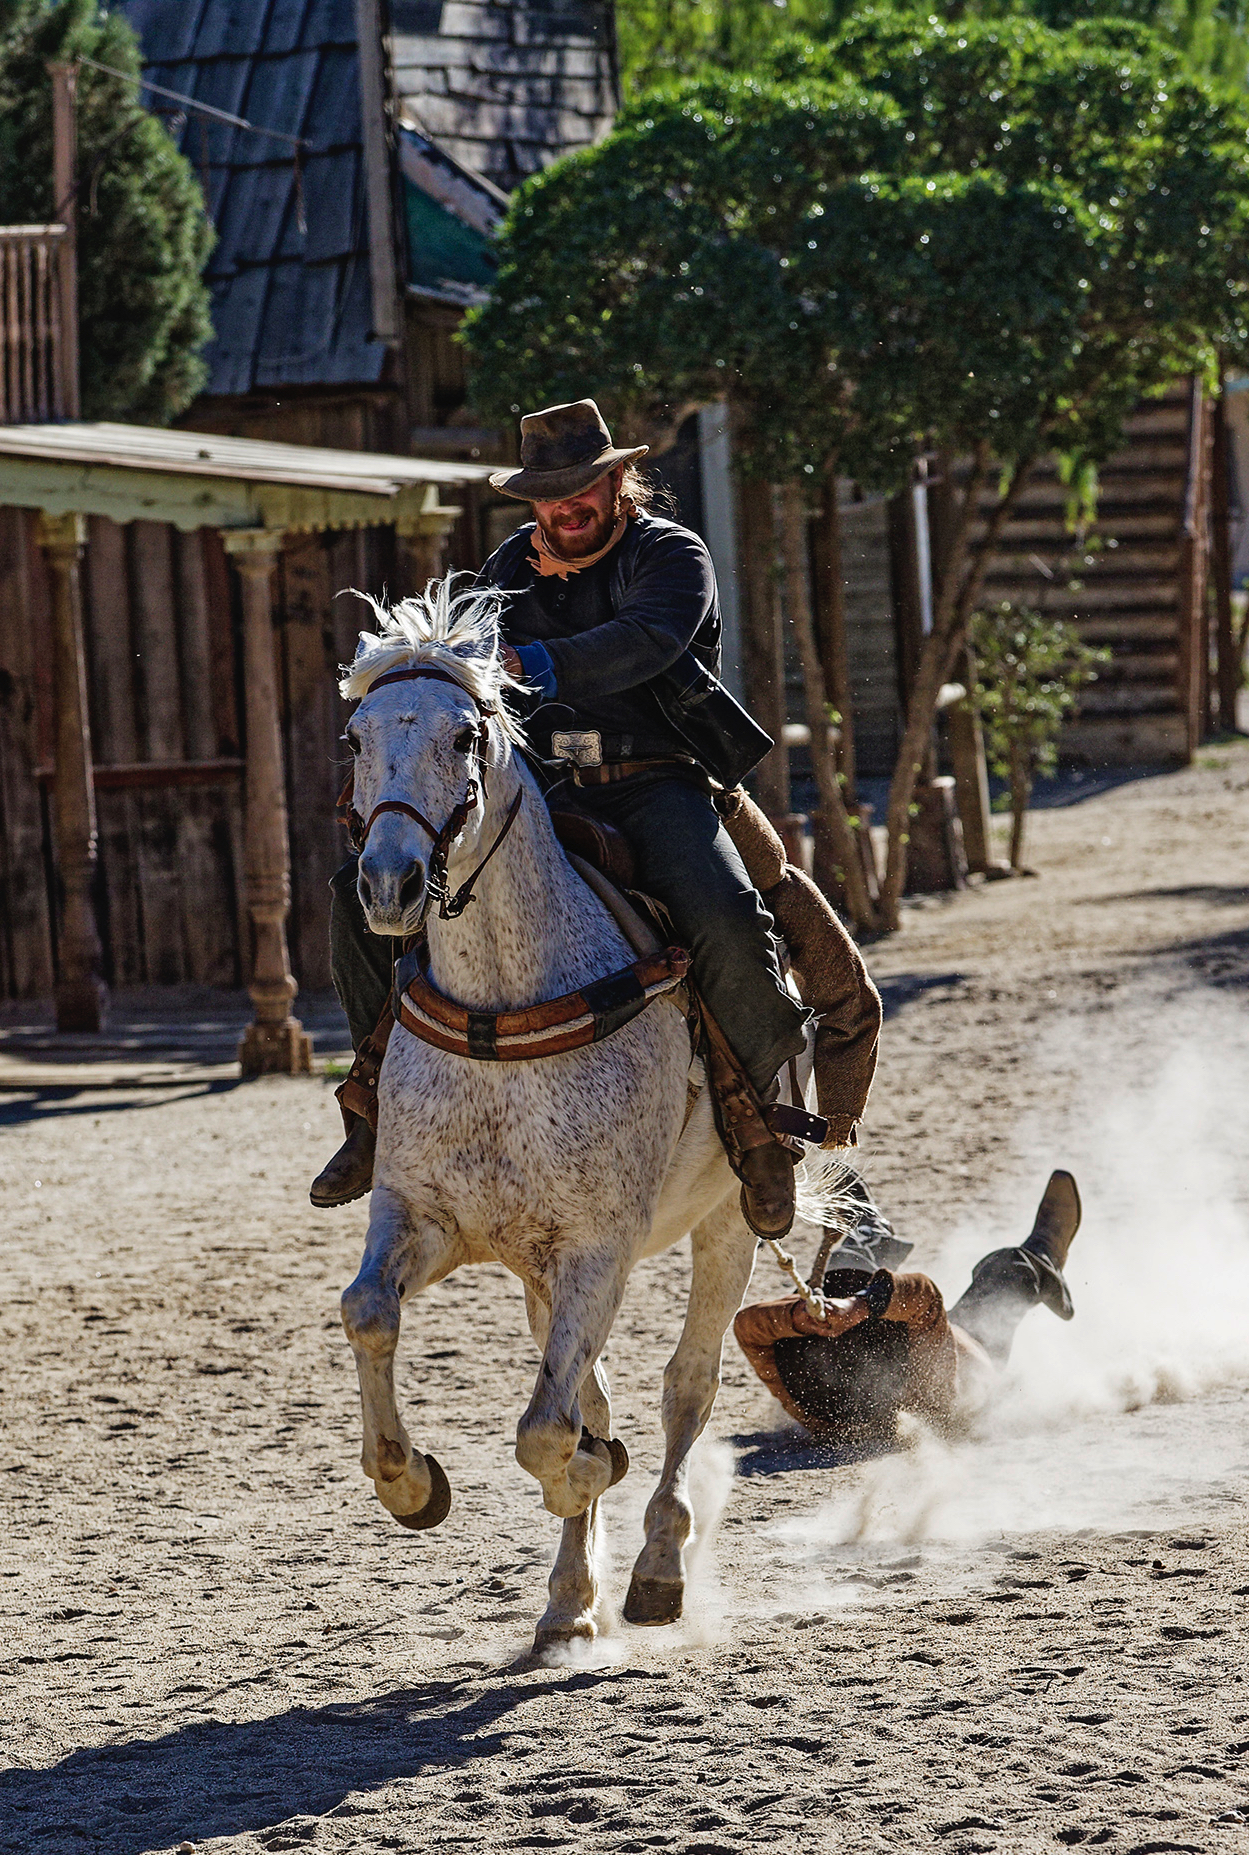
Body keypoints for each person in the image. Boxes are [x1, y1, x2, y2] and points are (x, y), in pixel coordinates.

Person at [314, 398, 812, 1235]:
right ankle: (370, 1110)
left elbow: (646, 643)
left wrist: (528, 660)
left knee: (726, 917)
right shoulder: (505, 570)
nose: (564, 505)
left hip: (655, 782)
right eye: (547, 493)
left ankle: (758, 1124)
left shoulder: (672, 556)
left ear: (619, 481)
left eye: (581, 486)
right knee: (354, 895)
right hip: (540, 787)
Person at [734, 1171, 1084, 1439]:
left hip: (907, 1343)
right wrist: (858, 1306)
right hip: (970, 1354)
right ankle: (1045, 1256)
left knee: (845, 1282)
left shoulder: (808, 1399)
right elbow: (924, 1295)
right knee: (1008, 1270)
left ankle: (870, 1237)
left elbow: (746, 1328)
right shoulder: (932, 1389)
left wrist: (798, 1316)